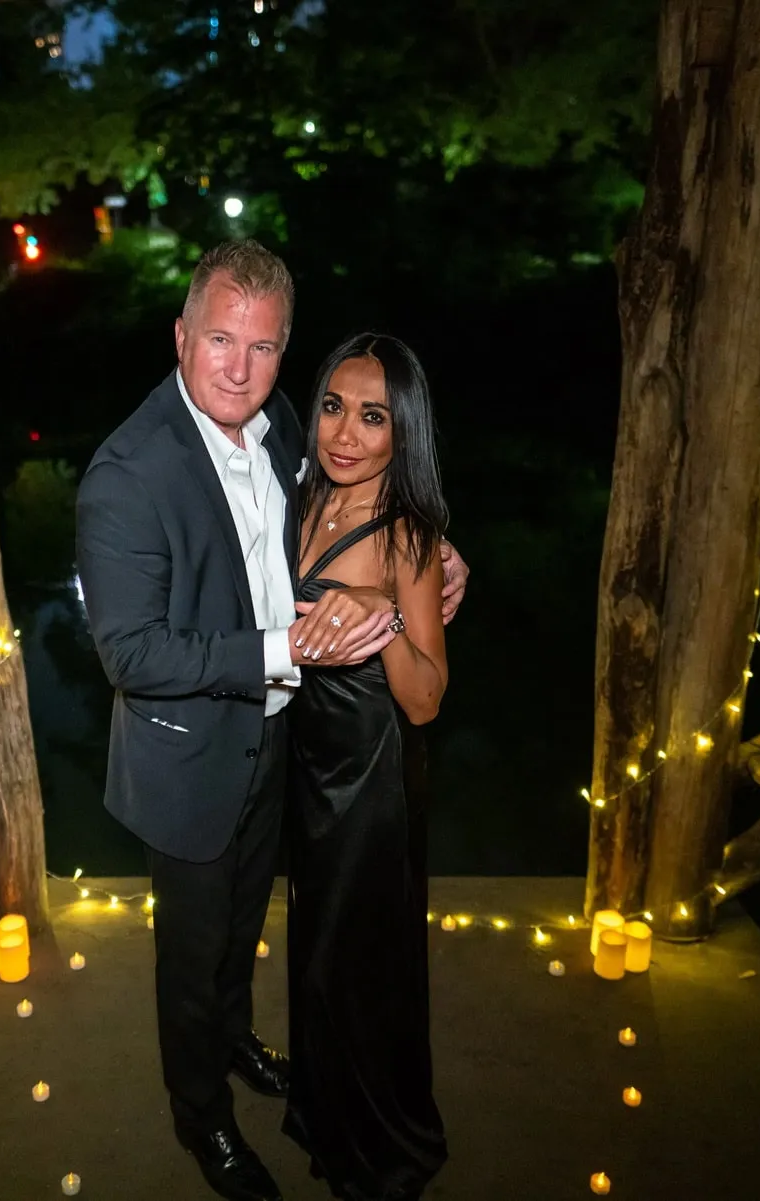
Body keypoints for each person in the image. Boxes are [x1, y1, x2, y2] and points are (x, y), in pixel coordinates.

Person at [75, 240, 469, 1201]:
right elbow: (131, 655)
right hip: (193, 754)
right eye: (219, 340)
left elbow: (360, 498)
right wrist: (282, 651)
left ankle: (240, 1036)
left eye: (261, 348)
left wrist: (441, 554)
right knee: (193, 949)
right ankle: (201, 1117)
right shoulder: (125, 474)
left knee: (249, 922)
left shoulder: (284, 420)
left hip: (289, 750)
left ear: (283, 353)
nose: (238, 369)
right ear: (182, 335)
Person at [280, 335, 450, 1201]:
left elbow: (427, 698)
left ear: (401, 431)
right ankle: (323, 1110)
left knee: (359, 964)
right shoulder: (306, 495)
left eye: (373, 415)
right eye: (335, 406)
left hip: (370, 778)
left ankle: (383, 1151)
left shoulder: (410, 537)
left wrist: (382, 617)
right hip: (307, 767)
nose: (346, 432)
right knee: (314, 951)